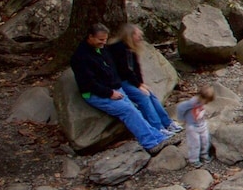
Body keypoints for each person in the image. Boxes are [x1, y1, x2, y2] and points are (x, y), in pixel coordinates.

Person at [70, 24, 172, 152]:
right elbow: (88, 83)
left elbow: (115, 69)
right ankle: (151, 143)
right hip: (96, 94)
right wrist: (109, 93)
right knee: (128, 111)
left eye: (105, 39)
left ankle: (159, 137)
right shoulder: (80, 57)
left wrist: (122, 86)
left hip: (116, 88)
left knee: (135, 111)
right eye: (100, 39)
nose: (103, 42)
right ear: (90, 37)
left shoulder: (103, 49)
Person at [105, 23, 179, 133]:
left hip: (128, 80)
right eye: (138, 35)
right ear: (130, 35)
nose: (140, 37)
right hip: (120, 82)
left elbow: (136, 68)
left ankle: (167, 123)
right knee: (143, 97)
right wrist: (138, 85)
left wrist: (141, 83)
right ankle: (157, 128)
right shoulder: (118, 48)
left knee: (151, 94)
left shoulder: (131, 48)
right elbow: (124, 71)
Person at [174, 86, 216, 167]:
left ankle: (204, 155)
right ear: (202, 97)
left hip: (201, 124)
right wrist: (181, 118)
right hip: (192, 126)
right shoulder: (192, 103)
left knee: (205, 140)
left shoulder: (202, 102)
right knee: (195, 143)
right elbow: (180, 107)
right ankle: (194, 159)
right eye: (206, 101)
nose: (206, 103)